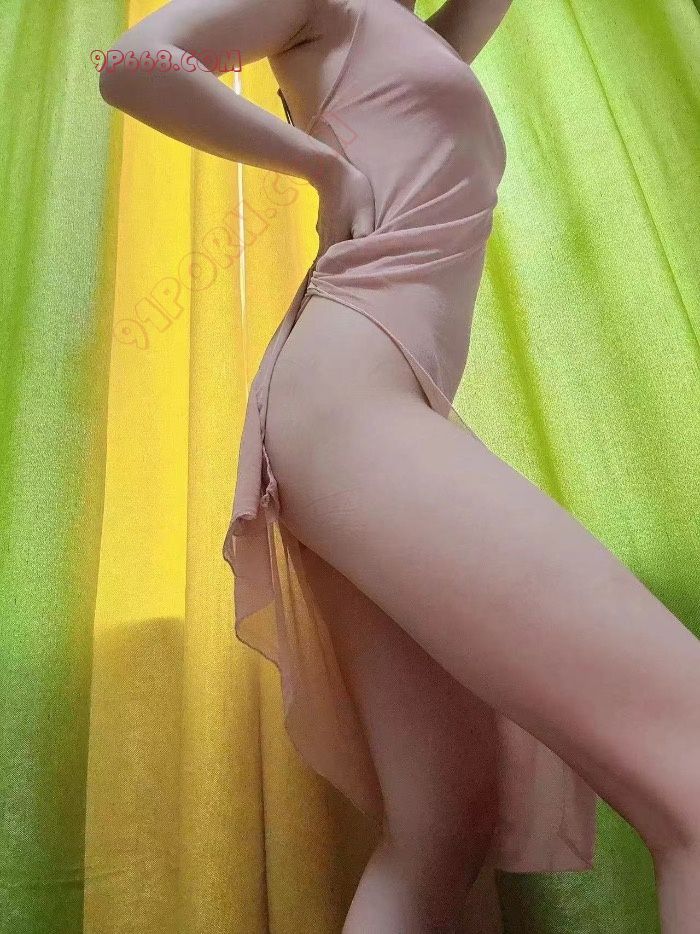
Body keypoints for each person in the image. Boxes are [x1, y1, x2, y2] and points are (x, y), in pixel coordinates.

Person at [99, 1, 700, 930]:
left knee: (444, 825)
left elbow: (456, 34)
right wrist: (321, 167)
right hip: (352, 401)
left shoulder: (413, 33)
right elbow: (135, 62)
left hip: (362, 412)